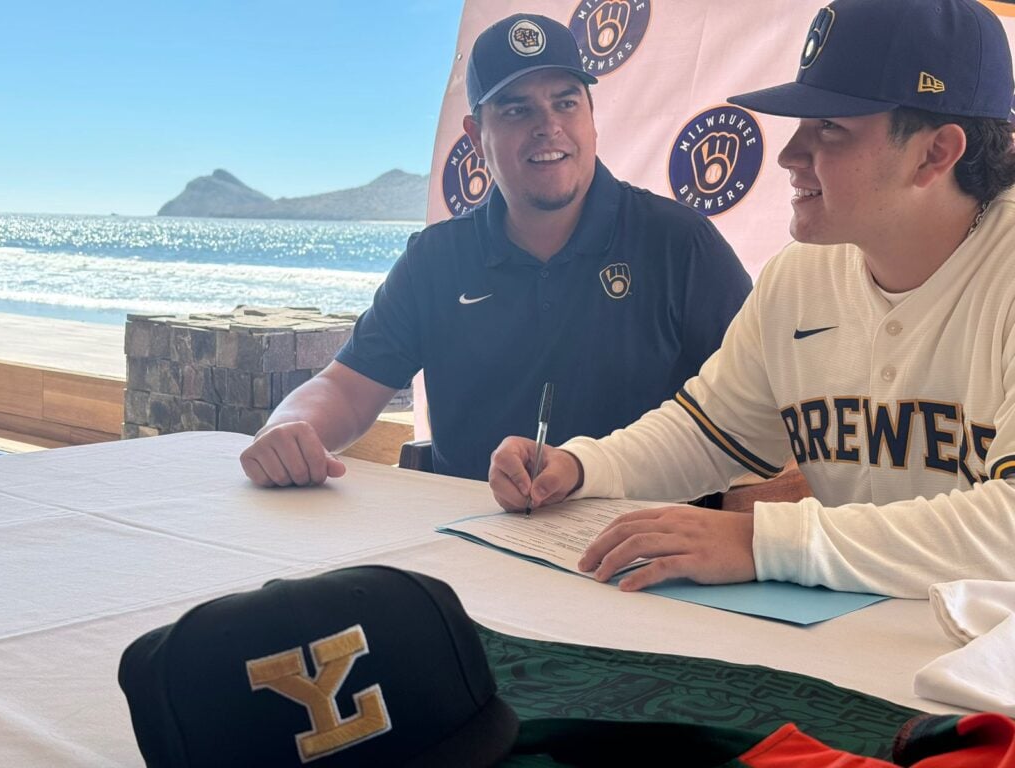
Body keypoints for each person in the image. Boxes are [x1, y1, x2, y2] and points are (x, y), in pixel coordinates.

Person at [488, 0, 1015, 599]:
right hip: (854, 646)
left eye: (829, 129)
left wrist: (763, 540)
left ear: (935, 153)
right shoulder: (798, 276)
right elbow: (706, 432)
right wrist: (582, 467)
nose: (790, 155)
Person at [240, 13, 751, 486]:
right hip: (463, 548)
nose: (547, 125)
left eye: (566, 101)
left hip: (638, 550)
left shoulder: (680, 244)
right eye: (515, 109)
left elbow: (762, 405)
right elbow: (347, 390)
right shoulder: (436, 261)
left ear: (592, 117)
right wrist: (289, 427)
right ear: (476, 136)